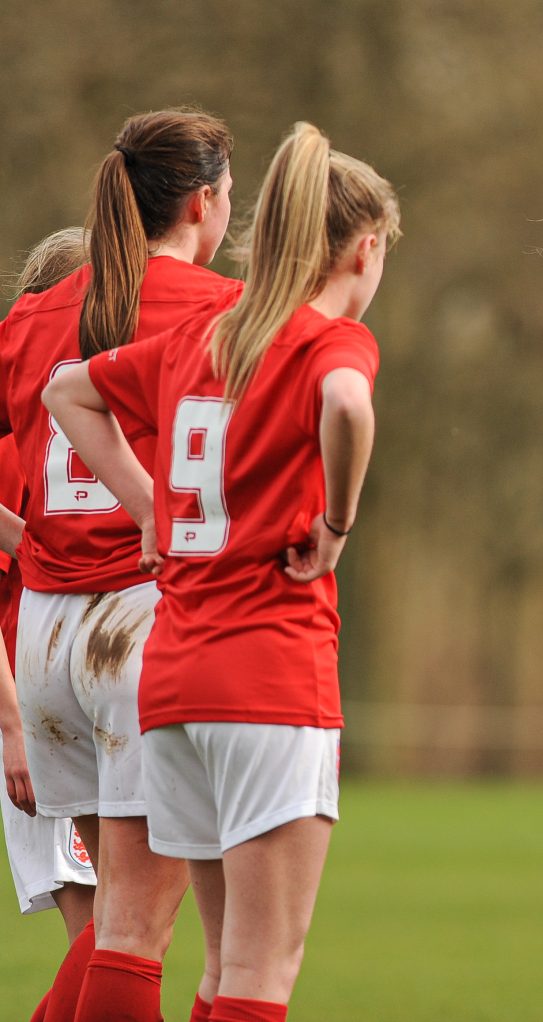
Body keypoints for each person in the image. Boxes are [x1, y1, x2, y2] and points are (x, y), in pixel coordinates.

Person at [43, 120, 396, 1022]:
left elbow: (65, 391)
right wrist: (339, 521)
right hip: (270, 675)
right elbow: (349, 404)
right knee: (261, 974)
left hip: (172, 683)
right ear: (364, 249)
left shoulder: (203, 338)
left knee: (213, 968)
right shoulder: (324, 338)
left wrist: (151, 507)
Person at [0, 110, 238, 1022]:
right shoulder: (225, 310)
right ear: (207, 202)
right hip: (148, 624)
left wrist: (20, 536)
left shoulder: (31, 314)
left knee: (116, 928)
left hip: (48, 634)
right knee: (138, 930)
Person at [0, 228, 98, 1022]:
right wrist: (13, 730)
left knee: (121, 936)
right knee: (102, 934)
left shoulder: (82, 427)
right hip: (37, 713)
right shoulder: (16, 444)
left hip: (76, 702)